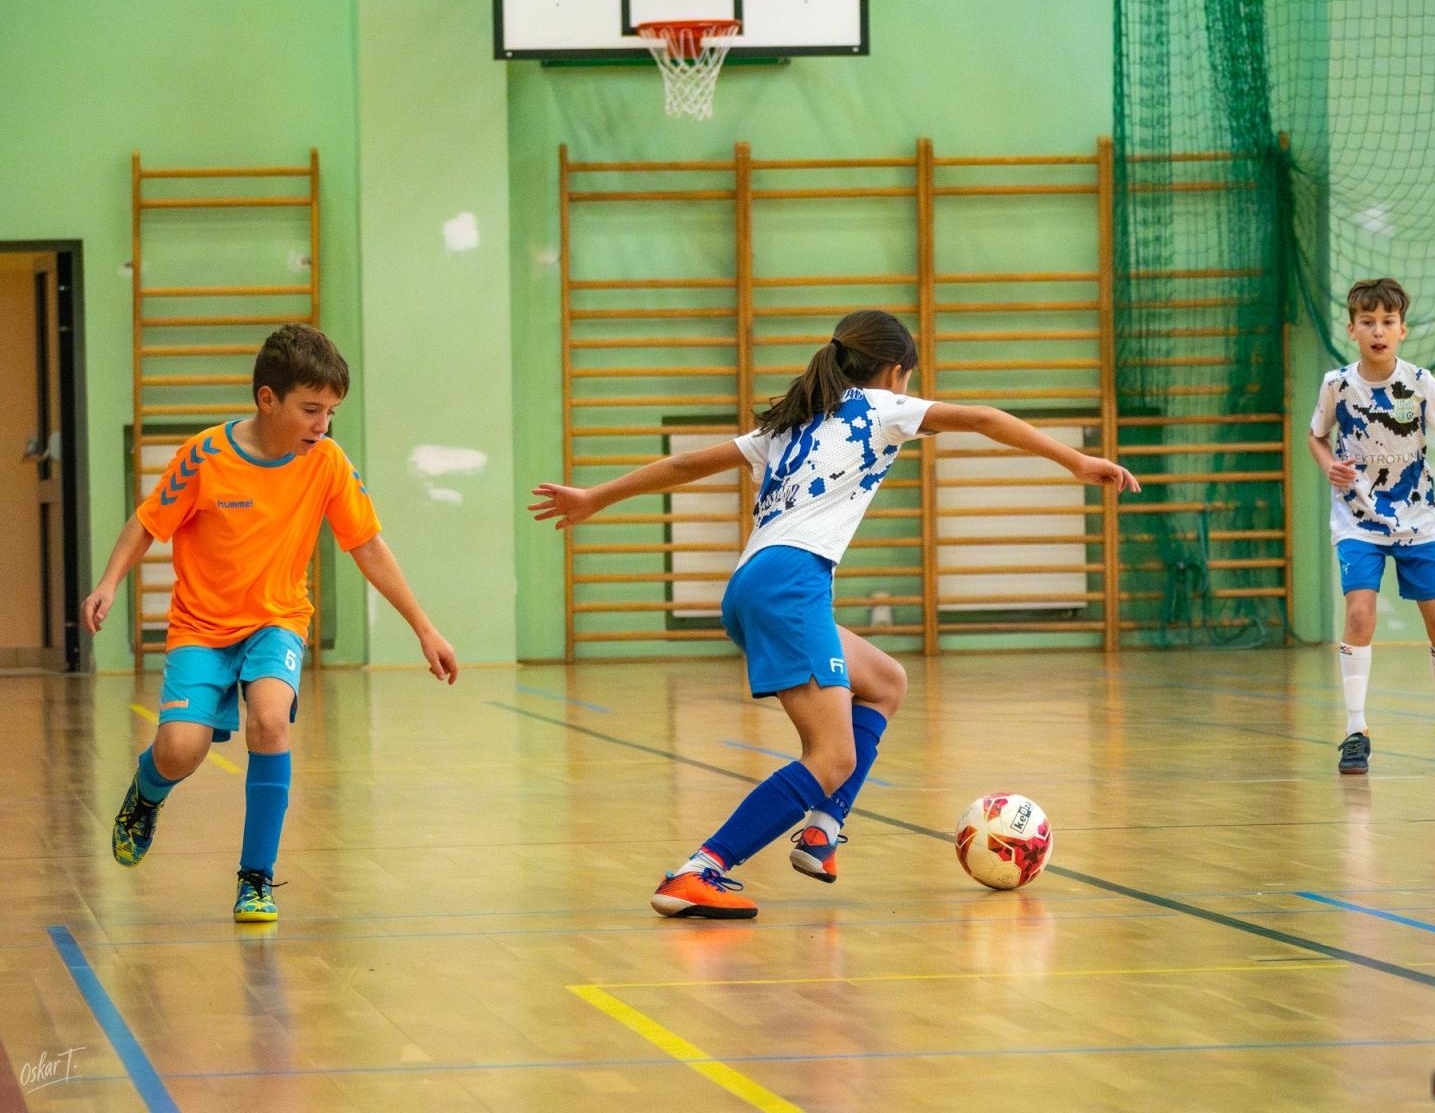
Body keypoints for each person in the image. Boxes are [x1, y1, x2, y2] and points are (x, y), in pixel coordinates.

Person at [531, 309, 1140, 918]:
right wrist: (1075, 461)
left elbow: (684, 464)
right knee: (832, 756)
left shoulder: (790, 422)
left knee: (886, 682)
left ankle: (821, 830)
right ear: (895, 371)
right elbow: (982, 418)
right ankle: (699, 871)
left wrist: (595, 497)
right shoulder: (881, 408)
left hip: (752, 583)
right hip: (790, 583)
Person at [81, 324, 458, 922]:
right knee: (180, 750)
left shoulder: (327, 464)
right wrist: (108, 583)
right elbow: (148, 523)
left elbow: (367, 545)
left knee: (270, 719)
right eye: (311, 410)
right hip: (201, 627)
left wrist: (424, 628)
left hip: (277, 619)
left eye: (331, 412)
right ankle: (147, 793)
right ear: (267, 399)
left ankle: (255, 878)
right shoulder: (206, 456)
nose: (322, 425)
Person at [1307, 278, 1435, 776]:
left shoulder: (1421, 384)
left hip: (1417, 521)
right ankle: (1356, 731)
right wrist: (1328, 465)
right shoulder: (1337, 384)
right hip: (1357, 521)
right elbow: (1315, 436)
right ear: (1352, 329)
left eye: (1387, 322)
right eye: (1367, 322)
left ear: (1402, 330)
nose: (1378, 331)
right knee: (1359, 614)